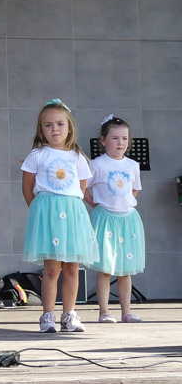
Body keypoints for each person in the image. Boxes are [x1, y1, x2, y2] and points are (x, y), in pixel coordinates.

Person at [22, 99, 97, 333]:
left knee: (72, 268)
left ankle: (69, 314)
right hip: (49, 215)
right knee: (52, 269)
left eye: (60, 124)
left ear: (69, 128)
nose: (55, 129)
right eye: (48, 125)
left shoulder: (77, 157)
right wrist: (41, 214)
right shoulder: (37, 155)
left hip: (72, 215)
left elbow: (80, 189)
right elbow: (27, 188)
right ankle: (47, 314)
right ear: (41, 129)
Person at [85, 115, 145, 324]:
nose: (120, 143)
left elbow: (134, 189)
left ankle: (126, 311)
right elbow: (83, 187)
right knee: (105, 267)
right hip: (105, 220)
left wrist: (124, 205)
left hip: (128, 219)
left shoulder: (132, 165)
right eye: (115, 138)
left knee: (125, 269)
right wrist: (97, 205)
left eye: (124, 138)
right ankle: (104, 311)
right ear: (103, 140)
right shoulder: (96, 164)